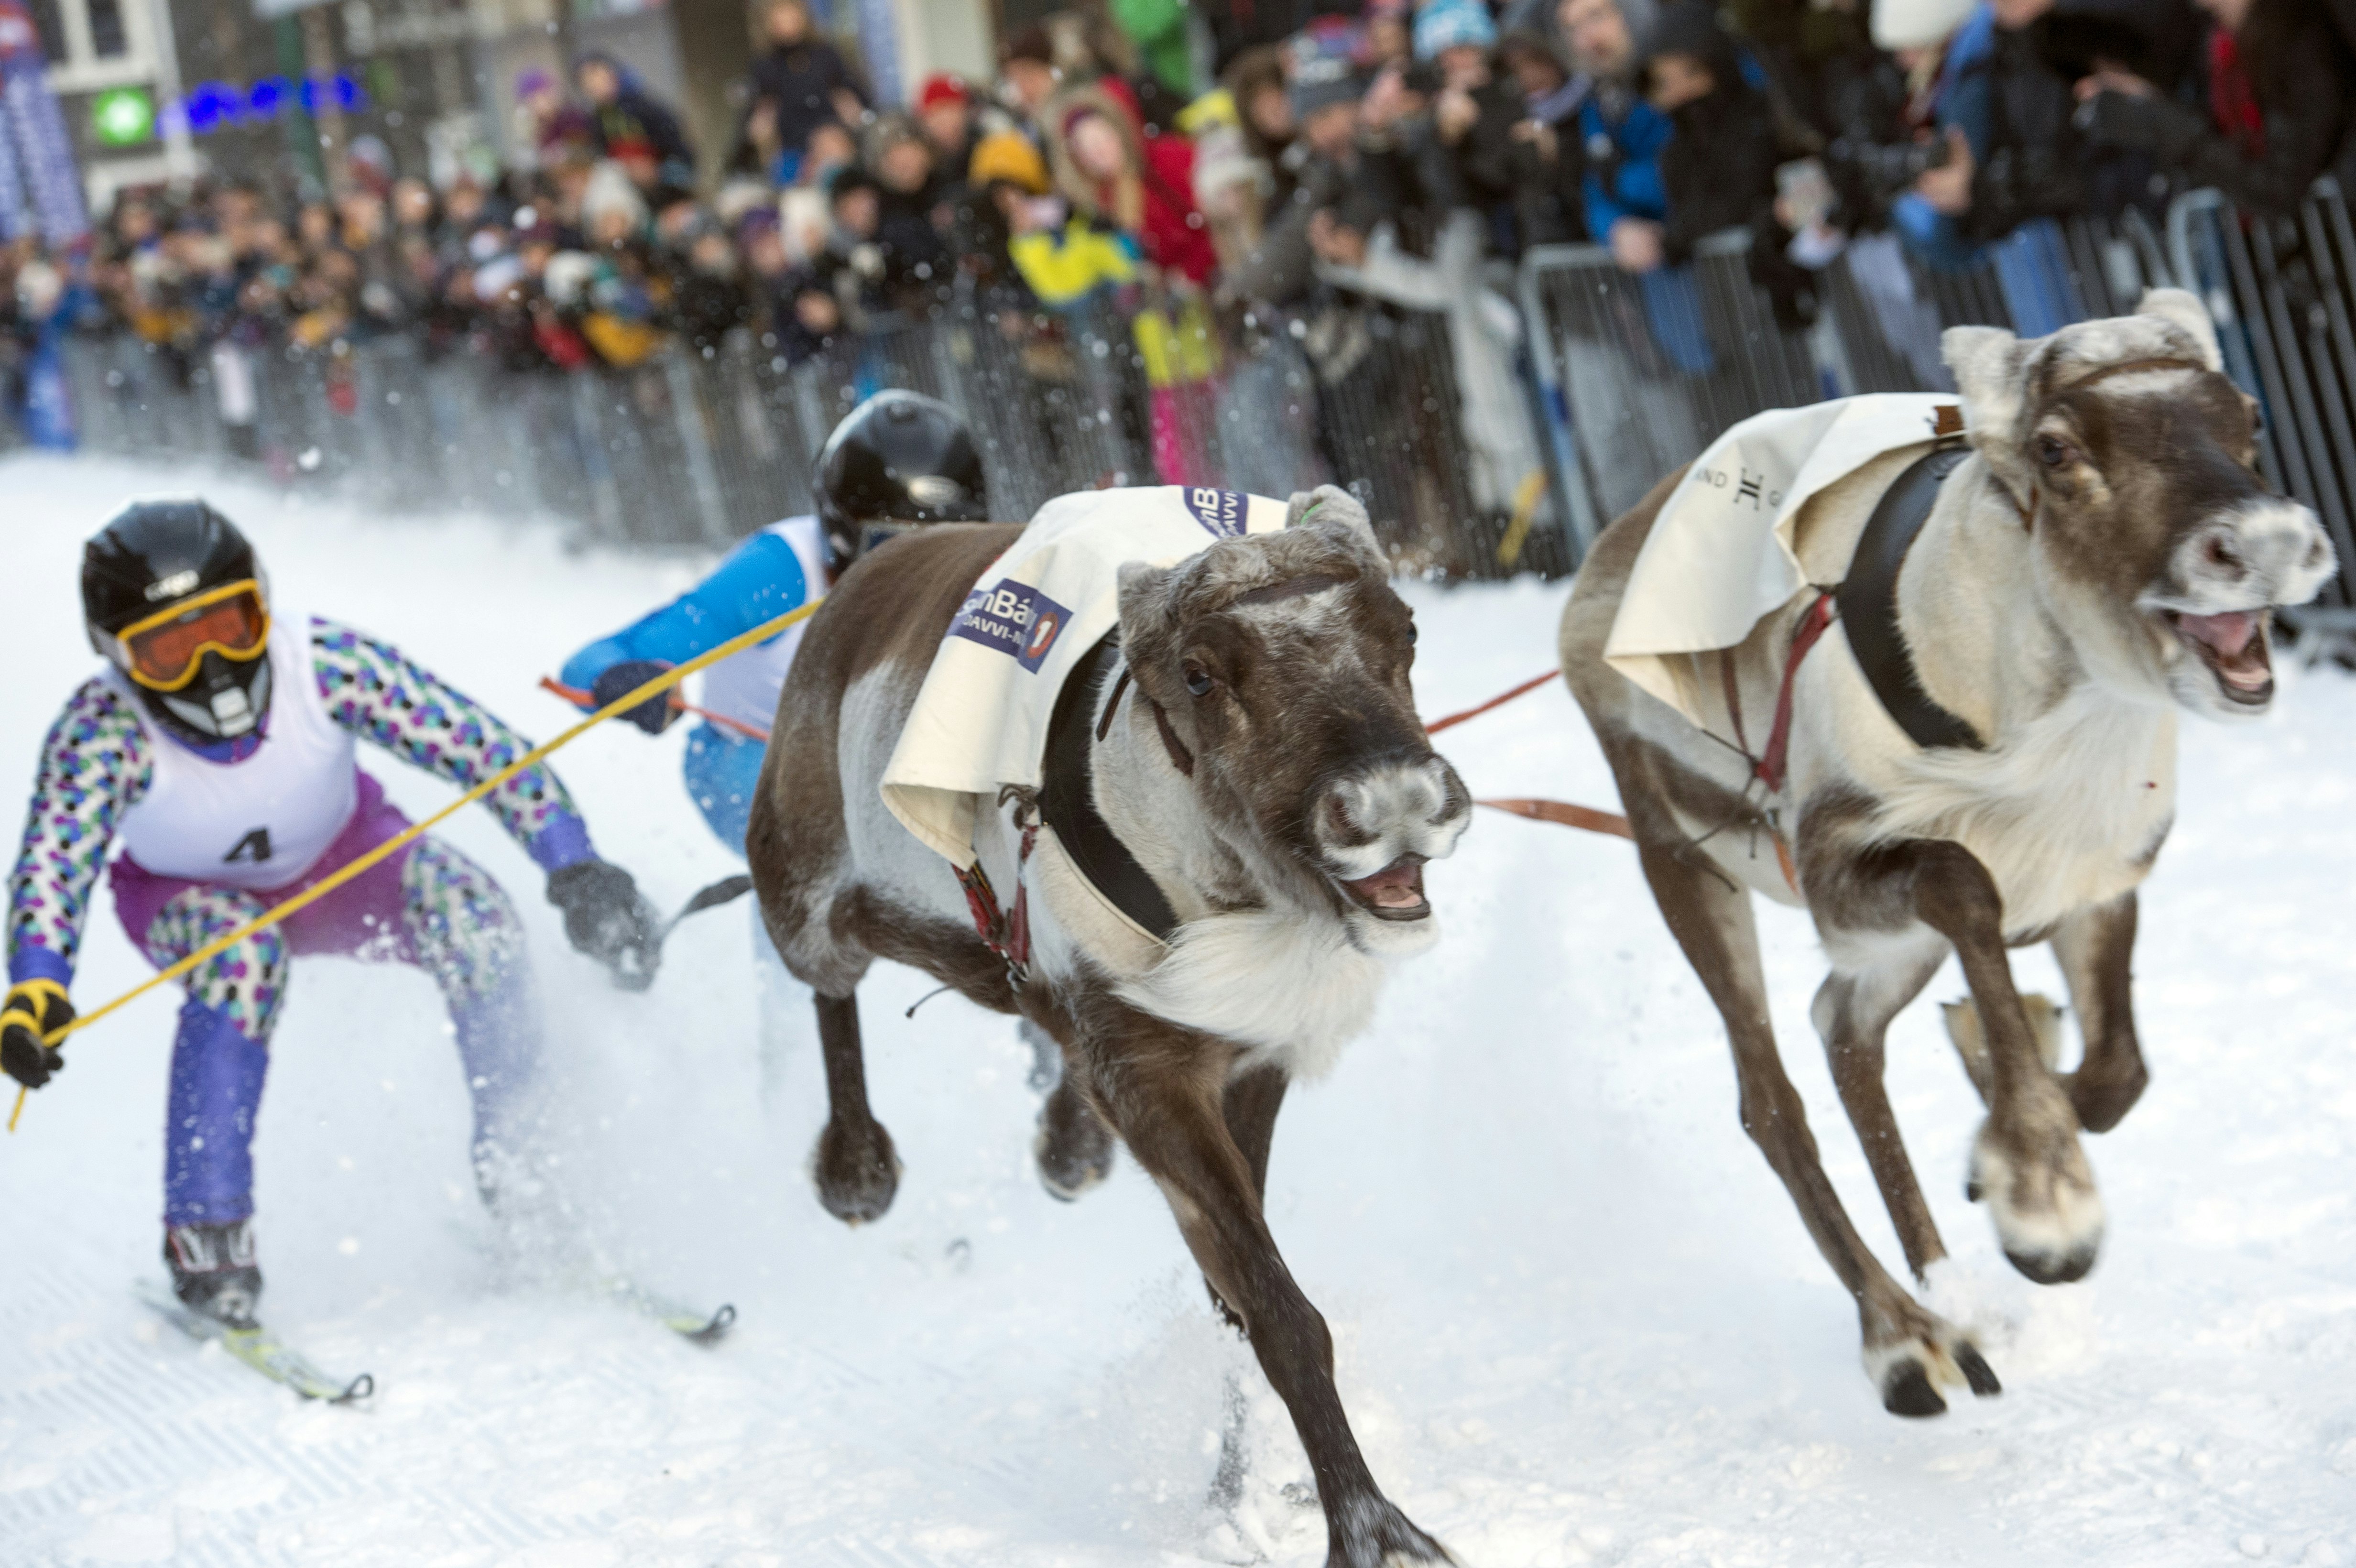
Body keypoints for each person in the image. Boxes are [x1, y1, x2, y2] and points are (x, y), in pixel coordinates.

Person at [2, 500, 664, 1327]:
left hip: (347, 865)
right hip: (189, 900)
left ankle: (528, 1177)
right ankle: (207, 1233)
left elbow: (480, 747)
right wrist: (35, 987)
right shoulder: (102, 732)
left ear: (263, 606)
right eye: (169, 650)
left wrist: (574, 865)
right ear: (117, 656)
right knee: (244, 962)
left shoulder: (324, 664)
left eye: (230, 628)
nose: (210, 668)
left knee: (477, 920)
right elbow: (53, 862)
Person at [556, 394, 988, 1079]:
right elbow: (592, 663)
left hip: (888, 768)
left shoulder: (986, 582)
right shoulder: (781, 571)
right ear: (842, 534)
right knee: (810, 844)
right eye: (890, 546)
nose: (917, 574)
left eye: (943, 550)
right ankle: (801, 1075)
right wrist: (629, 681)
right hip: (750, 764)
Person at [2076, 0, 2353, 219]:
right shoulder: (2228, 46)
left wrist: (2159, 119)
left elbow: (2277, 185)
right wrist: (2152, 107)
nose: (2203, 3)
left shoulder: (2303, 43)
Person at [745, 0, 871, 160]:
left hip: (832, 135)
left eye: (791, 14)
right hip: (790, 144)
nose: (787, 21)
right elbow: (760, 115)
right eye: (780, 16)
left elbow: (850, 96)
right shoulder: (765, 65)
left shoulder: (826, 55)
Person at [576, 53, 698, 205]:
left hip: (670, 193)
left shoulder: (647, 109)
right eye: (586, 81)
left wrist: (660, 173)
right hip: (630, 195)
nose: (594, 85)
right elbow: (602, 158)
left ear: (613, 74)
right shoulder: (597, 121)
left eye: (597, 76)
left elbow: (685, 161)